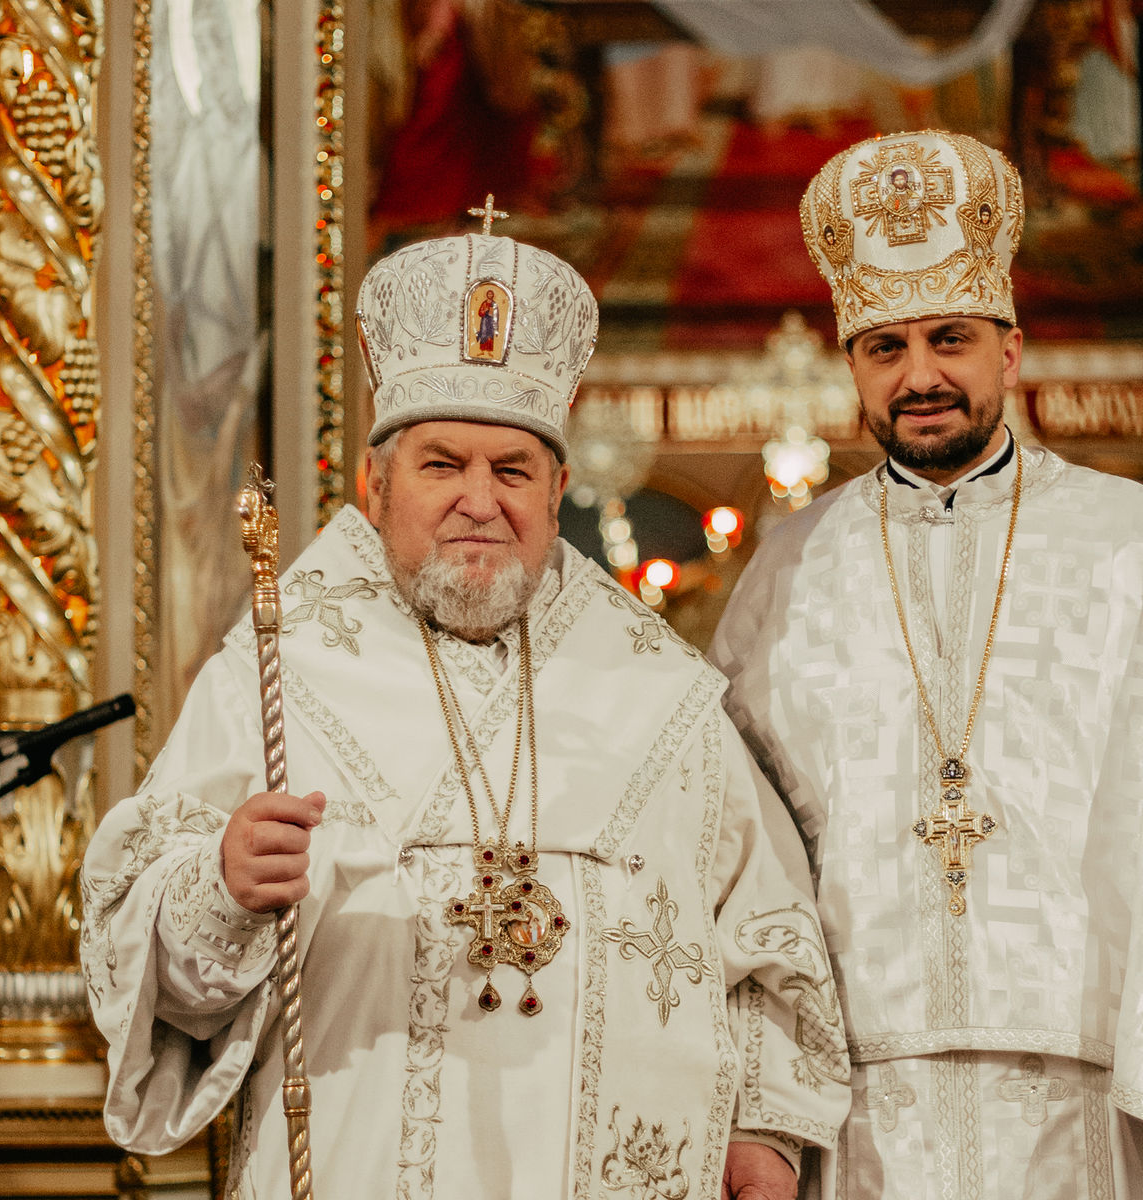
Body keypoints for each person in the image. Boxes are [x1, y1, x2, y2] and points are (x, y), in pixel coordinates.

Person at [82, 221, 850, 1200]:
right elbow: (156, 978)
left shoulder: (663, 694)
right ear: (374, 485)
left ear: (560, 488)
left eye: (513, 470)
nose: (479, 500)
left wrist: (765, 1136)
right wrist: (224, 884)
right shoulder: (275, 672)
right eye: (442, 465)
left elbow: (772, 946)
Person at [709, 131, 1143, 1198]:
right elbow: (740, 847)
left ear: (1010, 349)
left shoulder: (1129, 544)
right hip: (863, 1095)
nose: (920, 377)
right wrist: (768, 1097)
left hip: (1085, 1093)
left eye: (948, 339)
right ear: (852, 367)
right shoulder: (789, 570)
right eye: (885, 347)